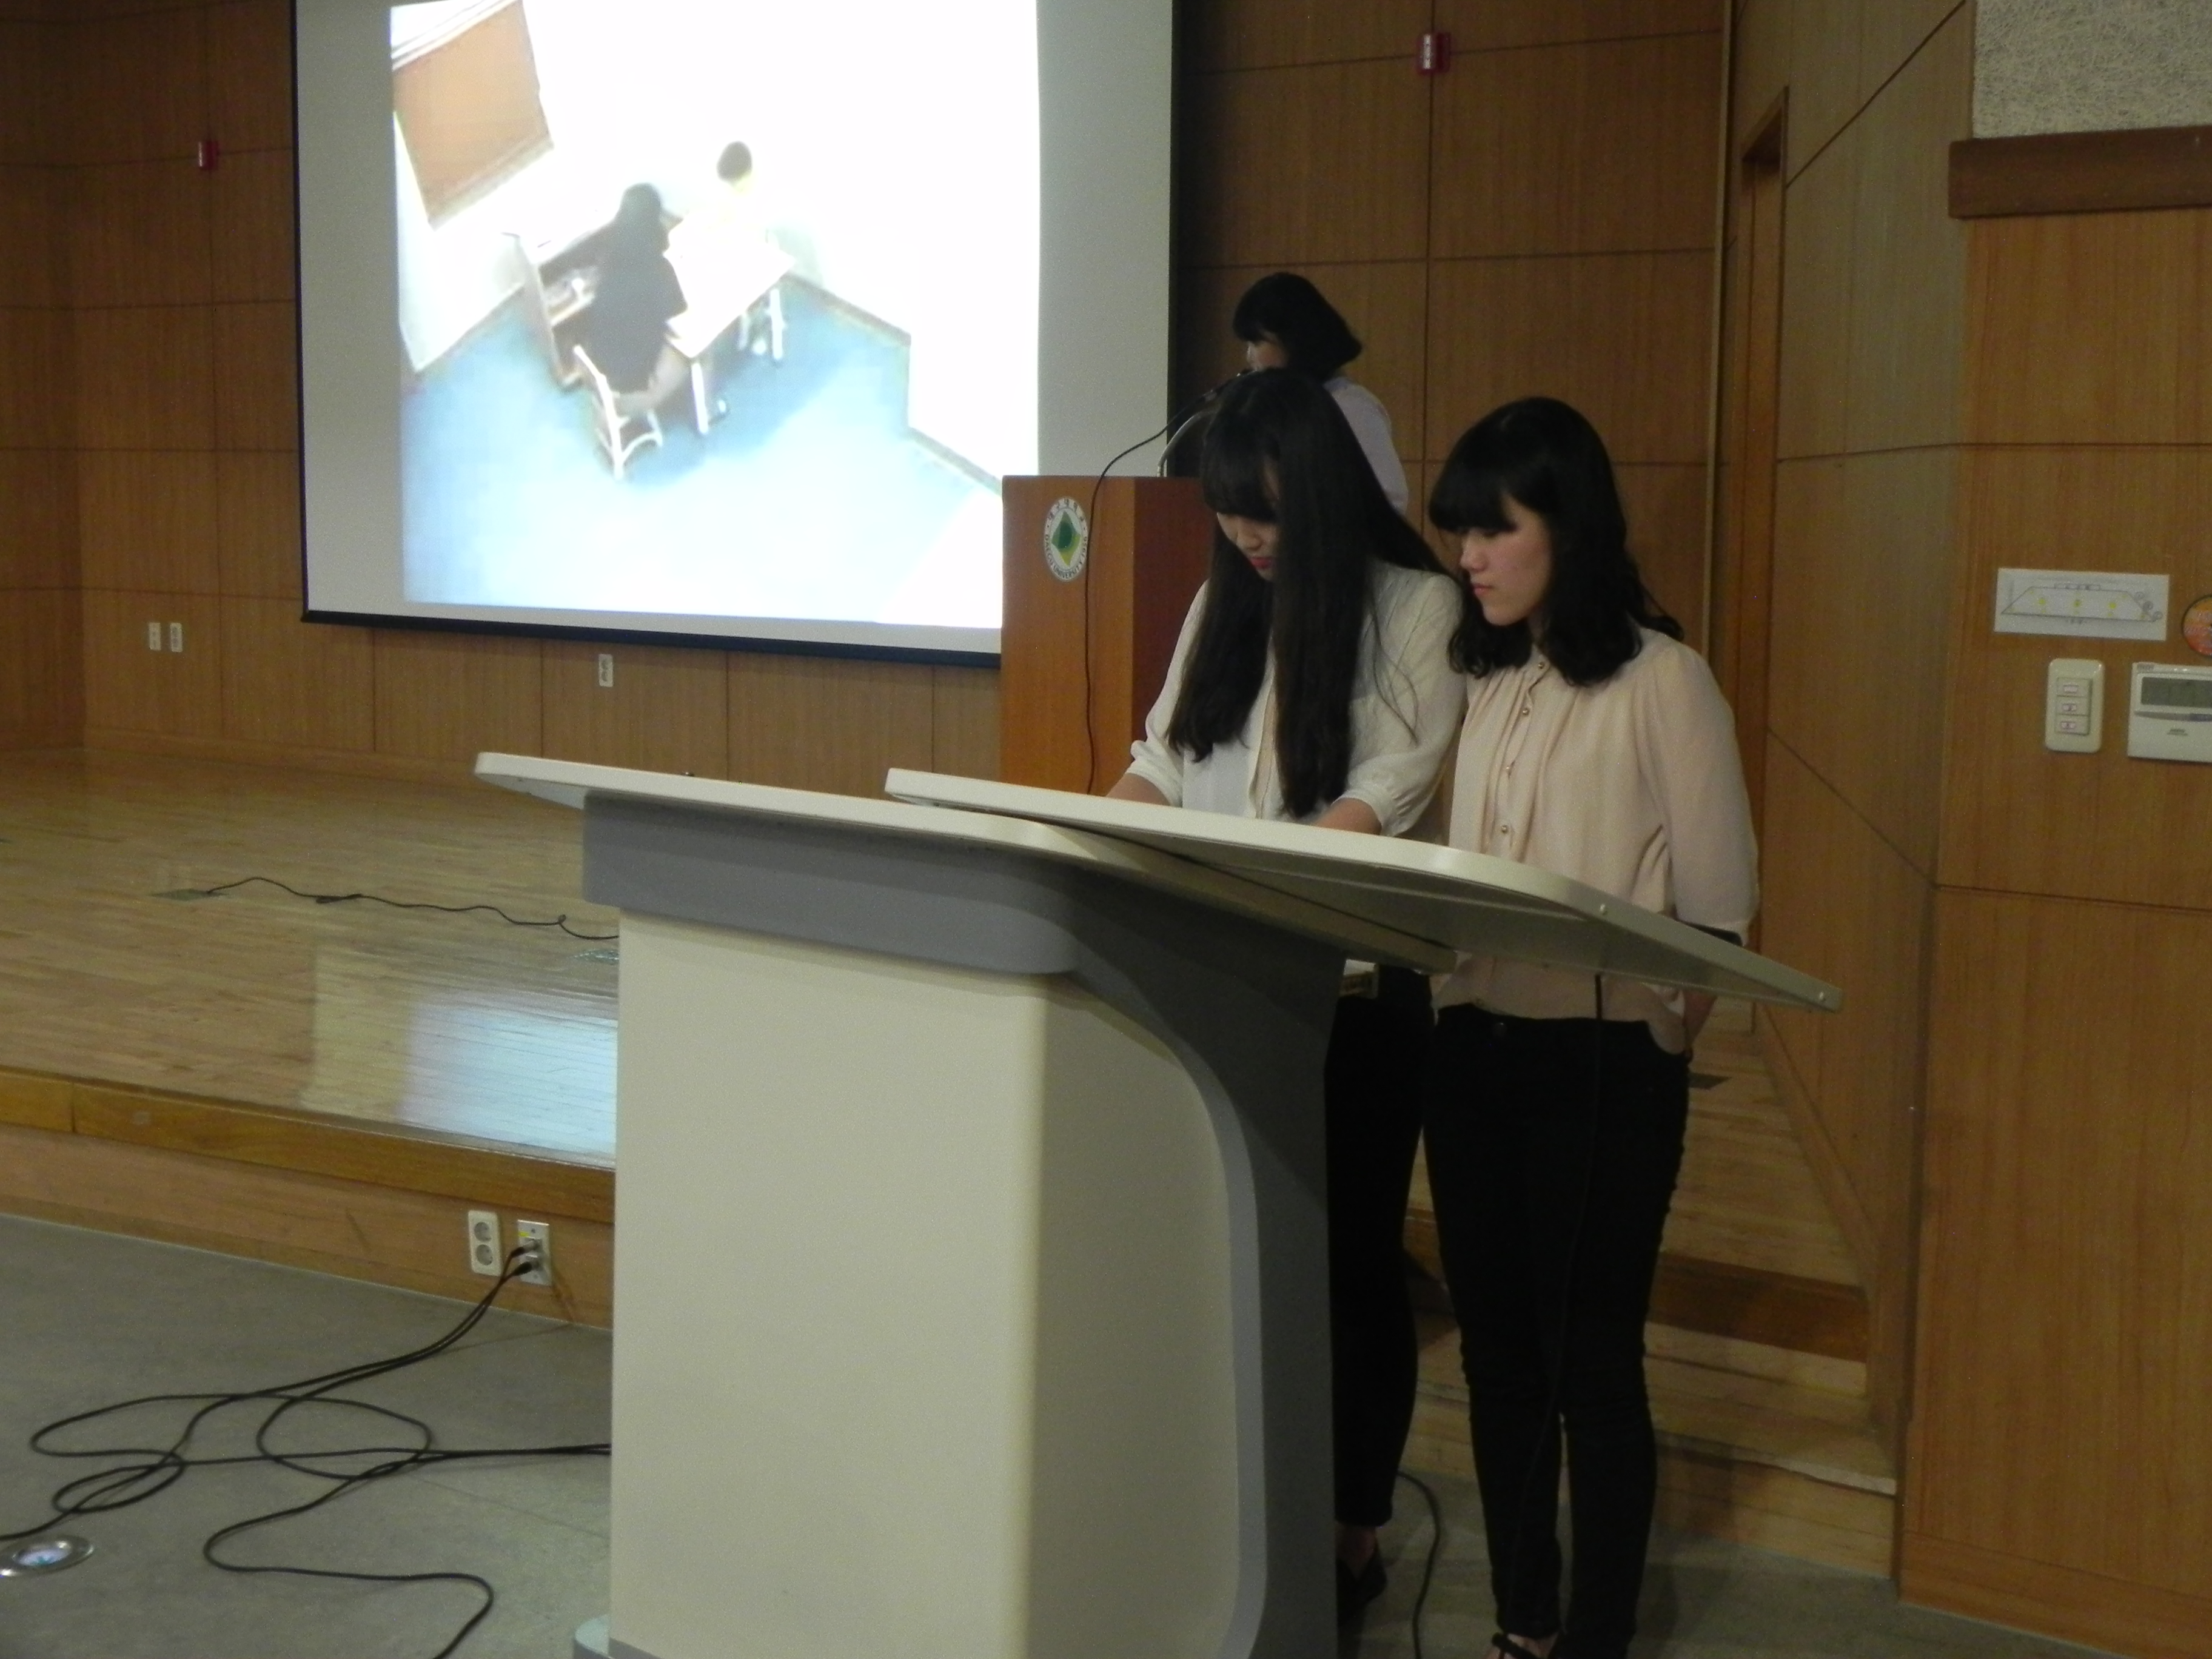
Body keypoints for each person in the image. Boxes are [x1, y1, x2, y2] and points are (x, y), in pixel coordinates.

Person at [1107, 368, 1464, 1623]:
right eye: (1227, 512)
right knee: (1215, 1246)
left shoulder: (1416, 607)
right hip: (1218, 975)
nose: (1245, 535)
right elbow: (1162, 760)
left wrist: (1255, 898)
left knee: (1349, 1265)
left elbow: (1387, 794)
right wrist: (1079, 846)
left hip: (1352, 994)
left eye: (1262, 510)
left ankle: (1349, 1528)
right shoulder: (1226, 598)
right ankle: (1227, 1500)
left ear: (1316, 492)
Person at [1419, 397, 1758, 1659]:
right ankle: (1524, 1621)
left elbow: (1717, 910)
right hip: (1472, 1049)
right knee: (1499, 1361)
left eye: (1493, 530)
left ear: (1567, 526)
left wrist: (1656, 1039)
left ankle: (1598, 1636)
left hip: (1601, 1065)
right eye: (1460, 534)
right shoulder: (1486, 675)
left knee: (1591, 1367)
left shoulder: (1664, 679)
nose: (1469, 558)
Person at [1232, 272, 1410, 514]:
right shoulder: (1288, 408)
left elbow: (1388, 499)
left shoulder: (1350, 407)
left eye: (1256, 343)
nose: (1250, 357)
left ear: (1293, 338)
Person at [583, 183, 688, 418]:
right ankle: (708, 414)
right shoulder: (659, 270)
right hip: (630, 397)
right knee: (695, 352)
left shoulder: (609, 260)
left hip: (602, 377)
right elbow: (681, 323)